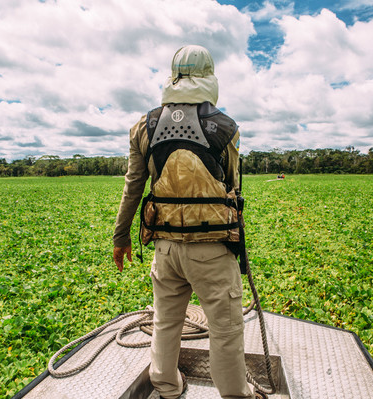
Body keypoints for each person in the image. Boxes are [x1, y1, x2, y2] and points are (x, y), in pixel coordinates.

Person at [113, 45, 258, 399]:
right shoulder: (226, 127)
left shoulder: (143, 127)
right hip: (211, 250)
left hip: (165, 249)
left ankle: (166, 387)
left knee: (165, 322)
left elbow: (133, 187)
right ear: (209, 76)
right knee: (224, 330)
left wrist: (121, 237)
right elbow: (232, 186)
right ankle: (237, 396)